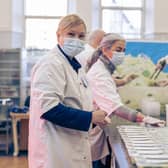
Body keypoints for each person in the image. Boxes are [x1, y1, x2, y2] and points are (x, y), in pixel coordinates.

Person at [28, 14, 108, 168]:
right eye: (71, 34)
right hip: (55, 151)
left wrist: (94, 118)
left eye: (81, 36)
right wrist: (90, 117)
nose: (76, 39)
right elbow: (49, 109)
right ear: (59, 35)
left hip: (73, 146)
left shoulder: (76, 67)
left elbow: (76, 102)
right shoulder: (51, 64)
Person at [86, 33, 165, 168]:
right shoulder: (99, 72)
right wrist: (145, 119)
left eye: (123, 50)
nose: (121, 54)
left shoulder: (102, 69)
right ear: (105, 49)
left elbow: (109, 83)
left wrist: (124, 80)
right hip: (93, 129)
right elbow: (117, 108)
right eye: (118, 50)